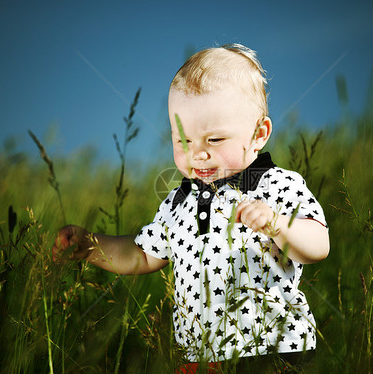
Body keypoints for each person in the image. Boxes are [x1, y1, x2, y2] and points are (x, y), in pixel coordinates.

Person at [53, 43, 330, 372]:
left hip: (270, 348)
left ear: (259, 134)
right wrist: (90, 246)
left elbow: (318, 244)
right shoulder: (178, 202)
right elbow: (142, 253)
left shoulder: (275, 185)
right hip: (199, 356)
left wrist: (276, 223)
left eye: (214, 140)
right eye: (183, 141)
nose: (198, 154)